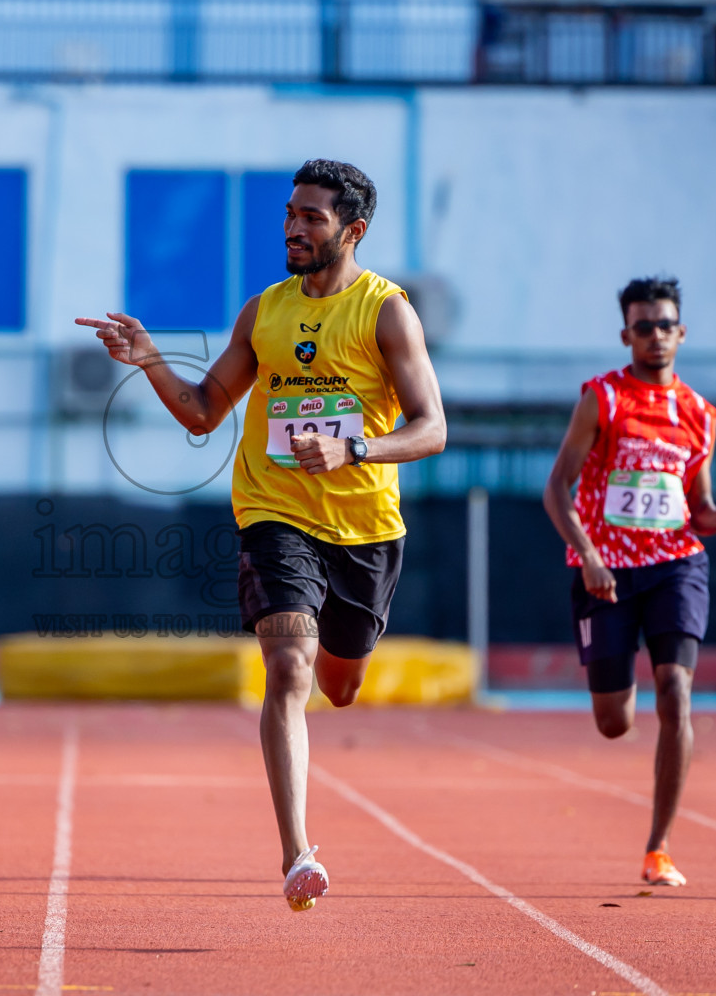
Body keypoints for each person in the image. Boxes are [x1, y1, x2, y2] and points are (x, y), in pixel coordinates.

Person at [77, 159, 446, 911]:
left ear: (354, 230)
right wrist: (150, 361)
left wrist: (354, 449)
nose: (293, 228)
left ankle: (345, 664)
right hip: (274, 511)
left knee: (339, 686)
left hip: (366, 526)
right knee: (288, 665)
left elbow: (432, 428)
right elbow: (206, 411)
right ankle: (297, 854)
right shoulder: (263, 312)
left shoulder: (386, 312)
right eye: (290, 214)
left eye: (312, 217)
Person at [542, 276, 716, 887]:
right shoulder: (601, 399)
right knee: (614, 721)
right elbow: (558, 488)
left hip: (674, 565)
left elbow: (699, 506)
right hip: (604, 572)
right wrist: (587, 554)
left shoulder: (700, 414)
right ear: (626, 334)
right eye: (643, 326)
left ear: (681, 333)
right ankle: (615, 681)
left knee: (675, 692)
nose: (655, 336)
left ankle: (659, 846)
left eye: (665, 325)